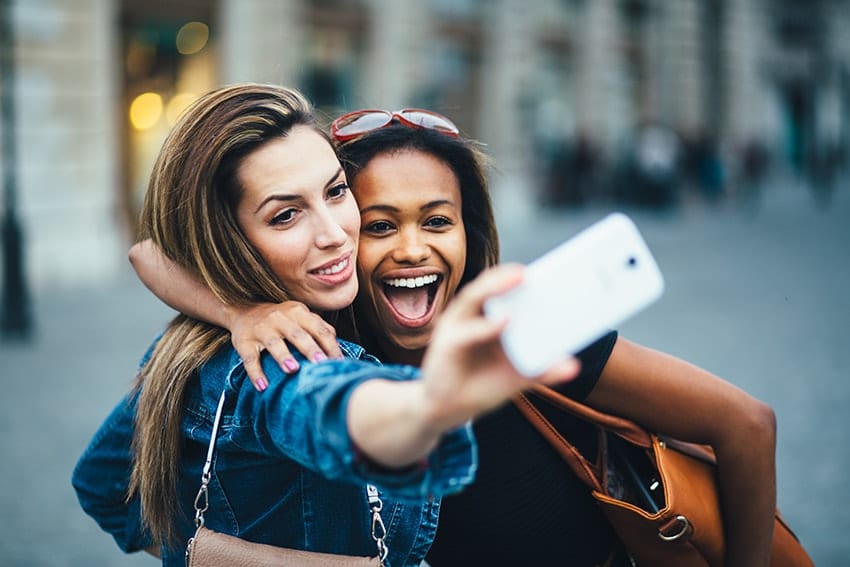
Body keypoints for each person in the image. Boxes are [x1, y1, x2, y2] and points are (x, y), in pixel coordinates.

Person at [125, 108, 777, 565]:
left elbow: (747, 423)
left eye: (437, 220)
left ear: (471, 233)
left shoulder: (528, 331)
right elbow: (149, 251)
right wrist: (240, 312)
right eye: (380, 225)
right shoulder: (317, 347)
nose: (413, 249)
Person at [71, 84, 580, 567]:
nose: (335, 234)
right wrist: (428, 406)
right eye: (286, 216)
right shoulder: (277, 358)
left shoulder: (187, 344)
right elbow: (327, 406)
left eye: (336, 191)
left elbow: (102, 485)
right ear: (228, 239)